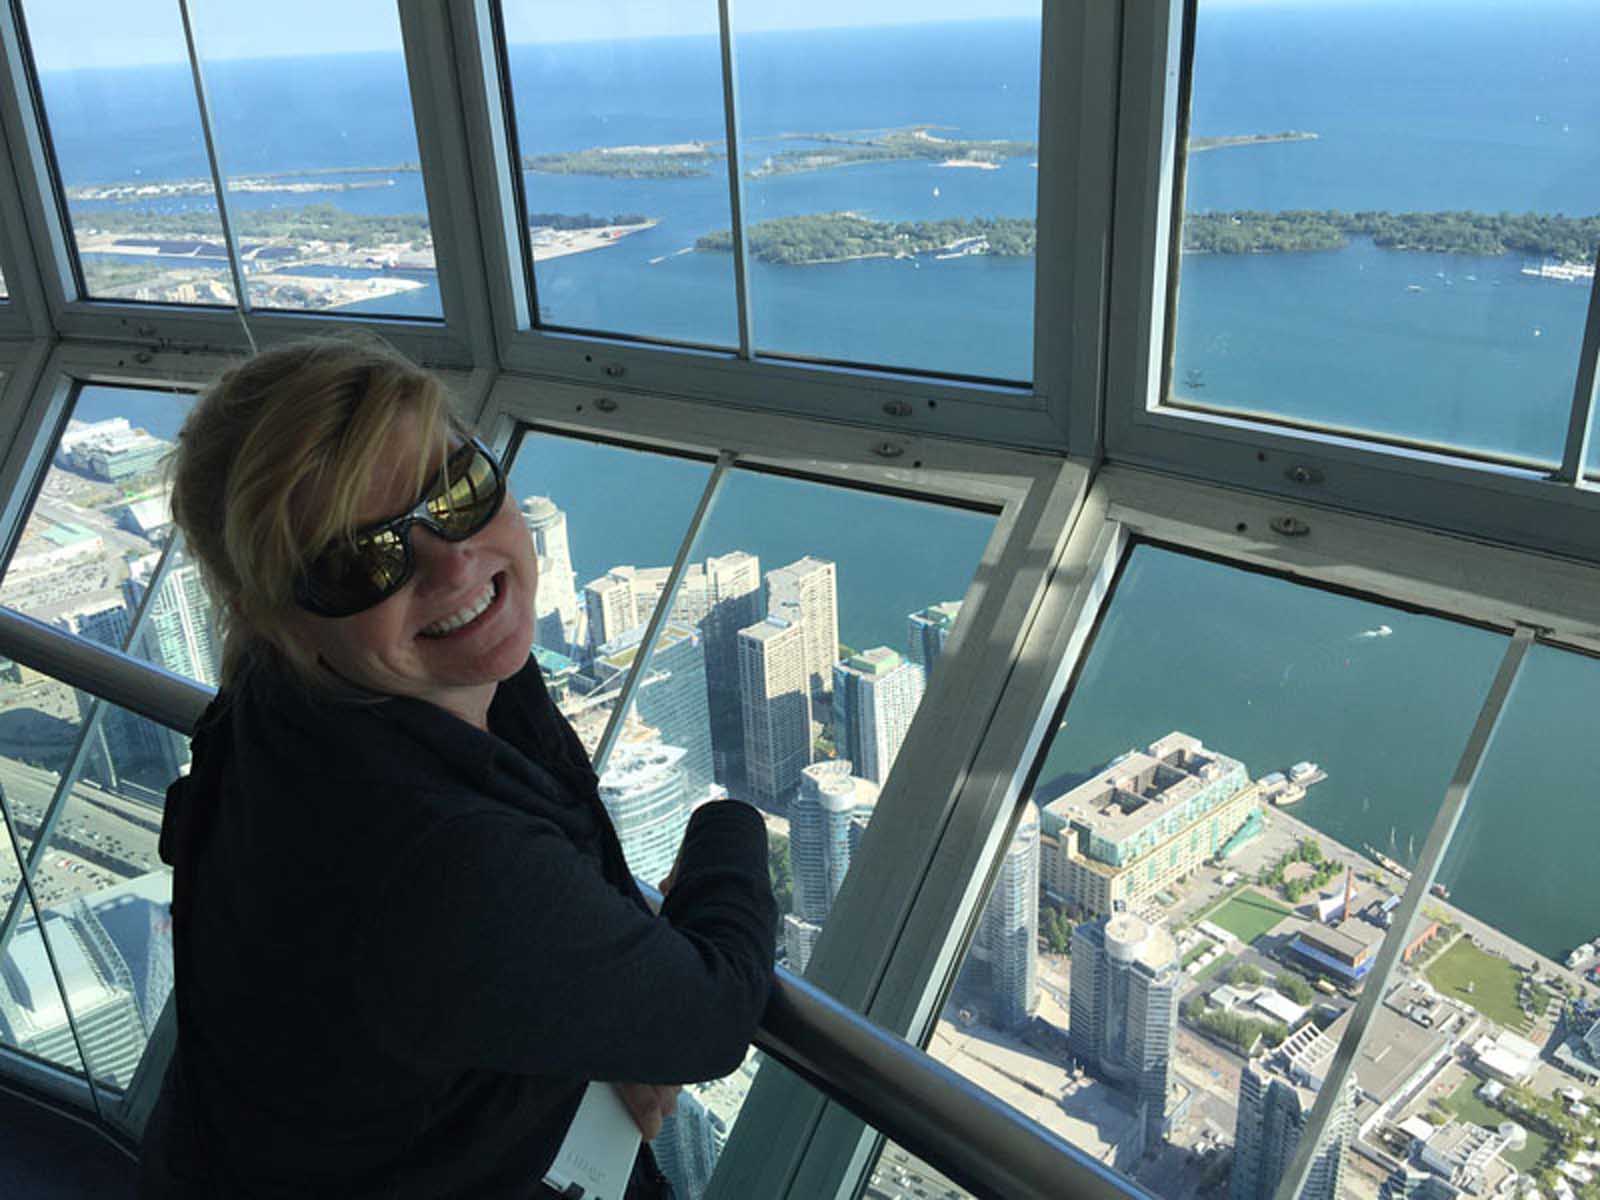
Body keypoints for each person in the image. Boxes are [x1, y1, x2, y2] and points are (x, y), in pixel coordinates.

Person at [137, 336, 777, 1198]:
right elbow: (711, 1018)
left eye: (459, 490)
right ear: (277, 619)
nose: (451, 564)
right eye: (360, 560)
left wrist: (603, 1001)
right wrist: (730, 828)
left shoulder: (289, 702)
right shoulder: (432, 857)